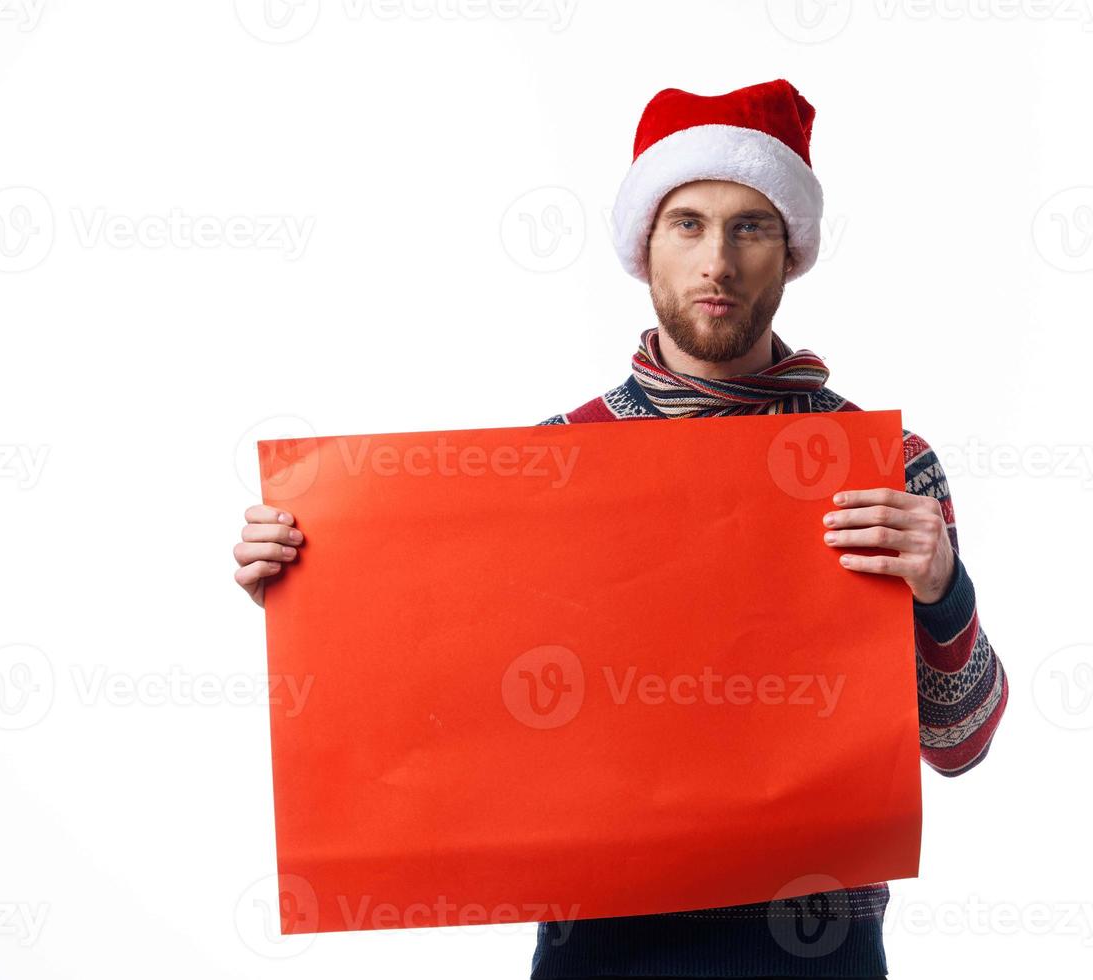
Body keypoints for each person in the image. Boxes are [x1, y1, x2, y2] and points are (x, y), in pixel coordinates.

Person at [233, 78, 1008, 980]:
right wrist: (308, 597)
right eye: (687, 224)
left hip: (815, 944)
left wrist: (943, 589)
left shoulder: (886, 468)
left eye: (749, 226)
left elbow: (963, 746)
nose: (716, 260)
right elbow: (452, 712)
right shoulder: (551, 466)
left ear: (790, 252)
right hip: (599, 943)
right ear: (645, 246)